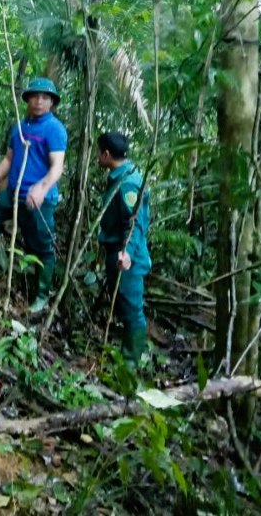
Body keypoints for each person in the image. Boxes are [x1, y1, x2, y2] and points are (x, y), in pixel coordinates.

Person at [0, 78, 67, 313]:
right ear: (27, 100)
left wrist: (42, 188)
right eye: (35, 96)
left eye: (45, 97)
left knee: (42, 247)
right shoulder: (20, 127)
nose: (39, 101)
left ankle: (41, 295)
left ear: (52, 102)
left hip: (39, 201)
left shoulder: (54, 128)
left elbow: (57, 166)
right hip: (13, 195)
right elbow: (9, 158)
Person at [97, 132, 151, 368]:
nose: (97, 157)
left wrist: (127, 252)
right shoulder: (121, 176)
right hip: (118, 252)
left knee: (132, 311)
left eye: (99, 152)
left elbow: (135, 222)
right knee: (124, 307)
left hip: (127, 257)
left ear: (107, 154)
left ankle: (131, 364)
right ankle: (128, 355)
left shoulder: (128, 182)